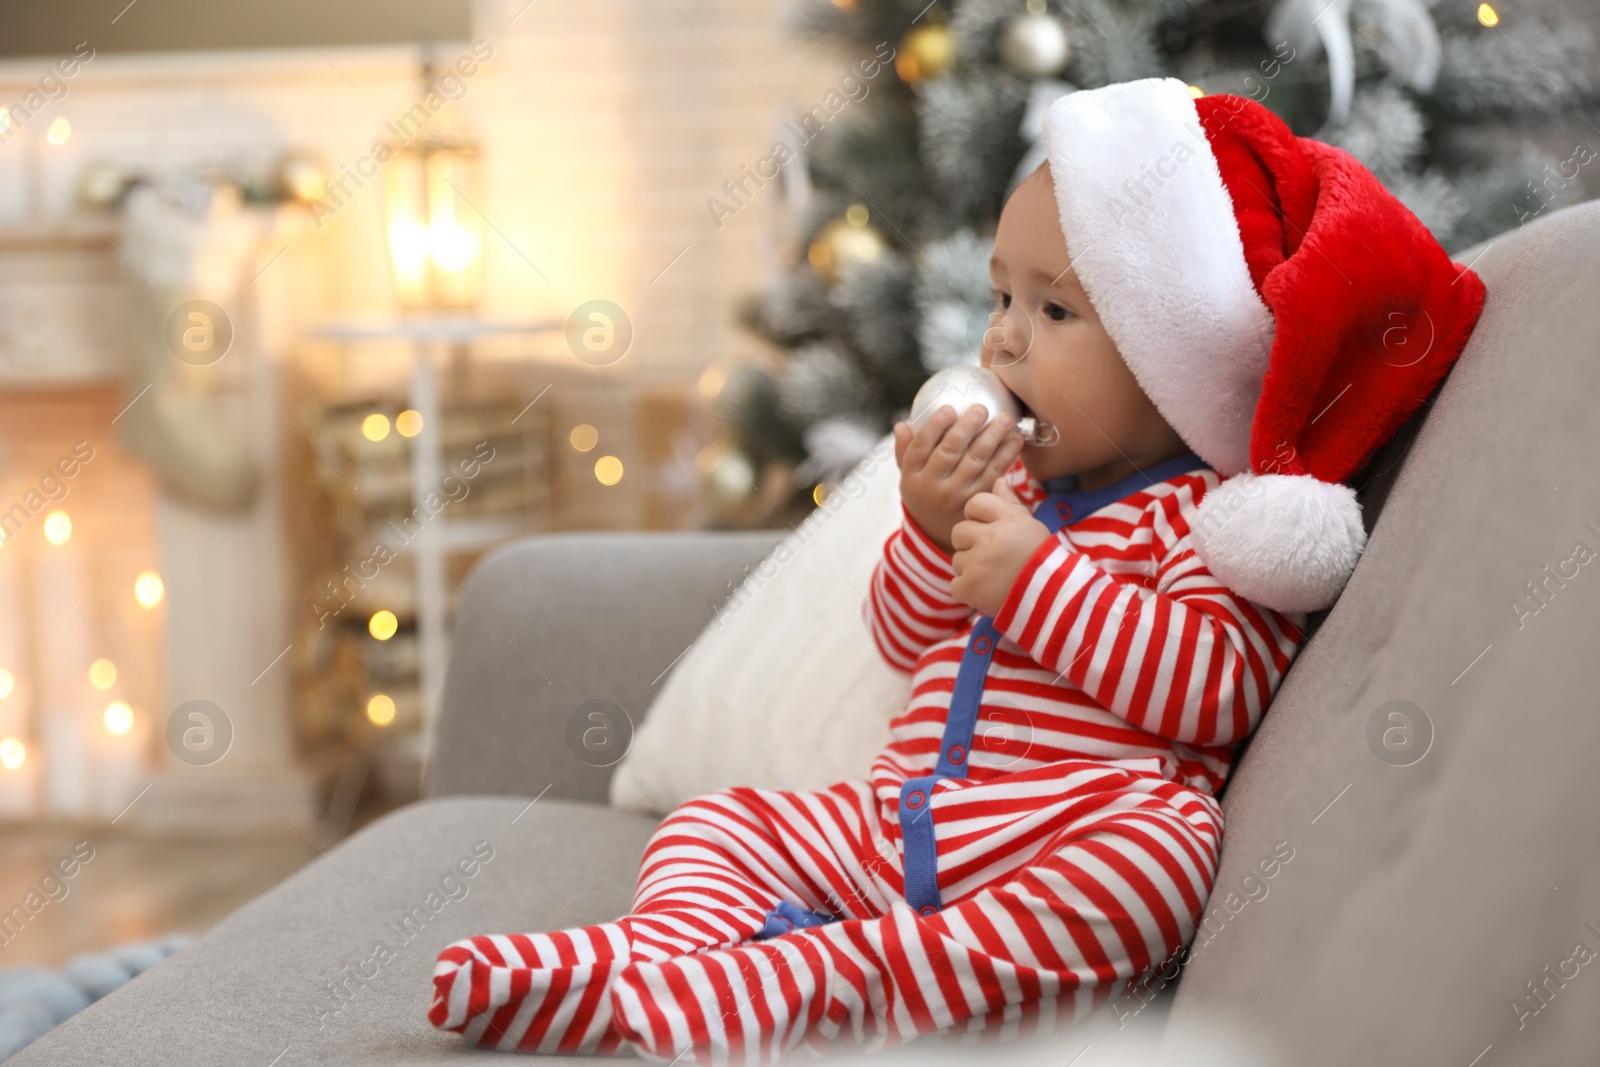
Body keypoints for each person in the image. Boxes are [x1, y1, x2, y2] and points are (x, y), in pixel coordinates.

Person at [427, 76, 1486, 1064]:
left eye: (1054, 311)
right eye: (1000, 301)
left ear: (1174, 361)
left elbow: (1214, 690)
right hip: (900, 815)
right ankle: (654, 960)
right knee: (726, 818)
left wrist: (1038, 582)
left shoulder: (1205, 520)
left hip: (1052, 830)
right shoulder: (1008, 492)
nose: (1004, 344)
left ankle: (824, 981)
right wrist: (931, 535)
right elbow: (902, 636)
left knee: (1163, 855)